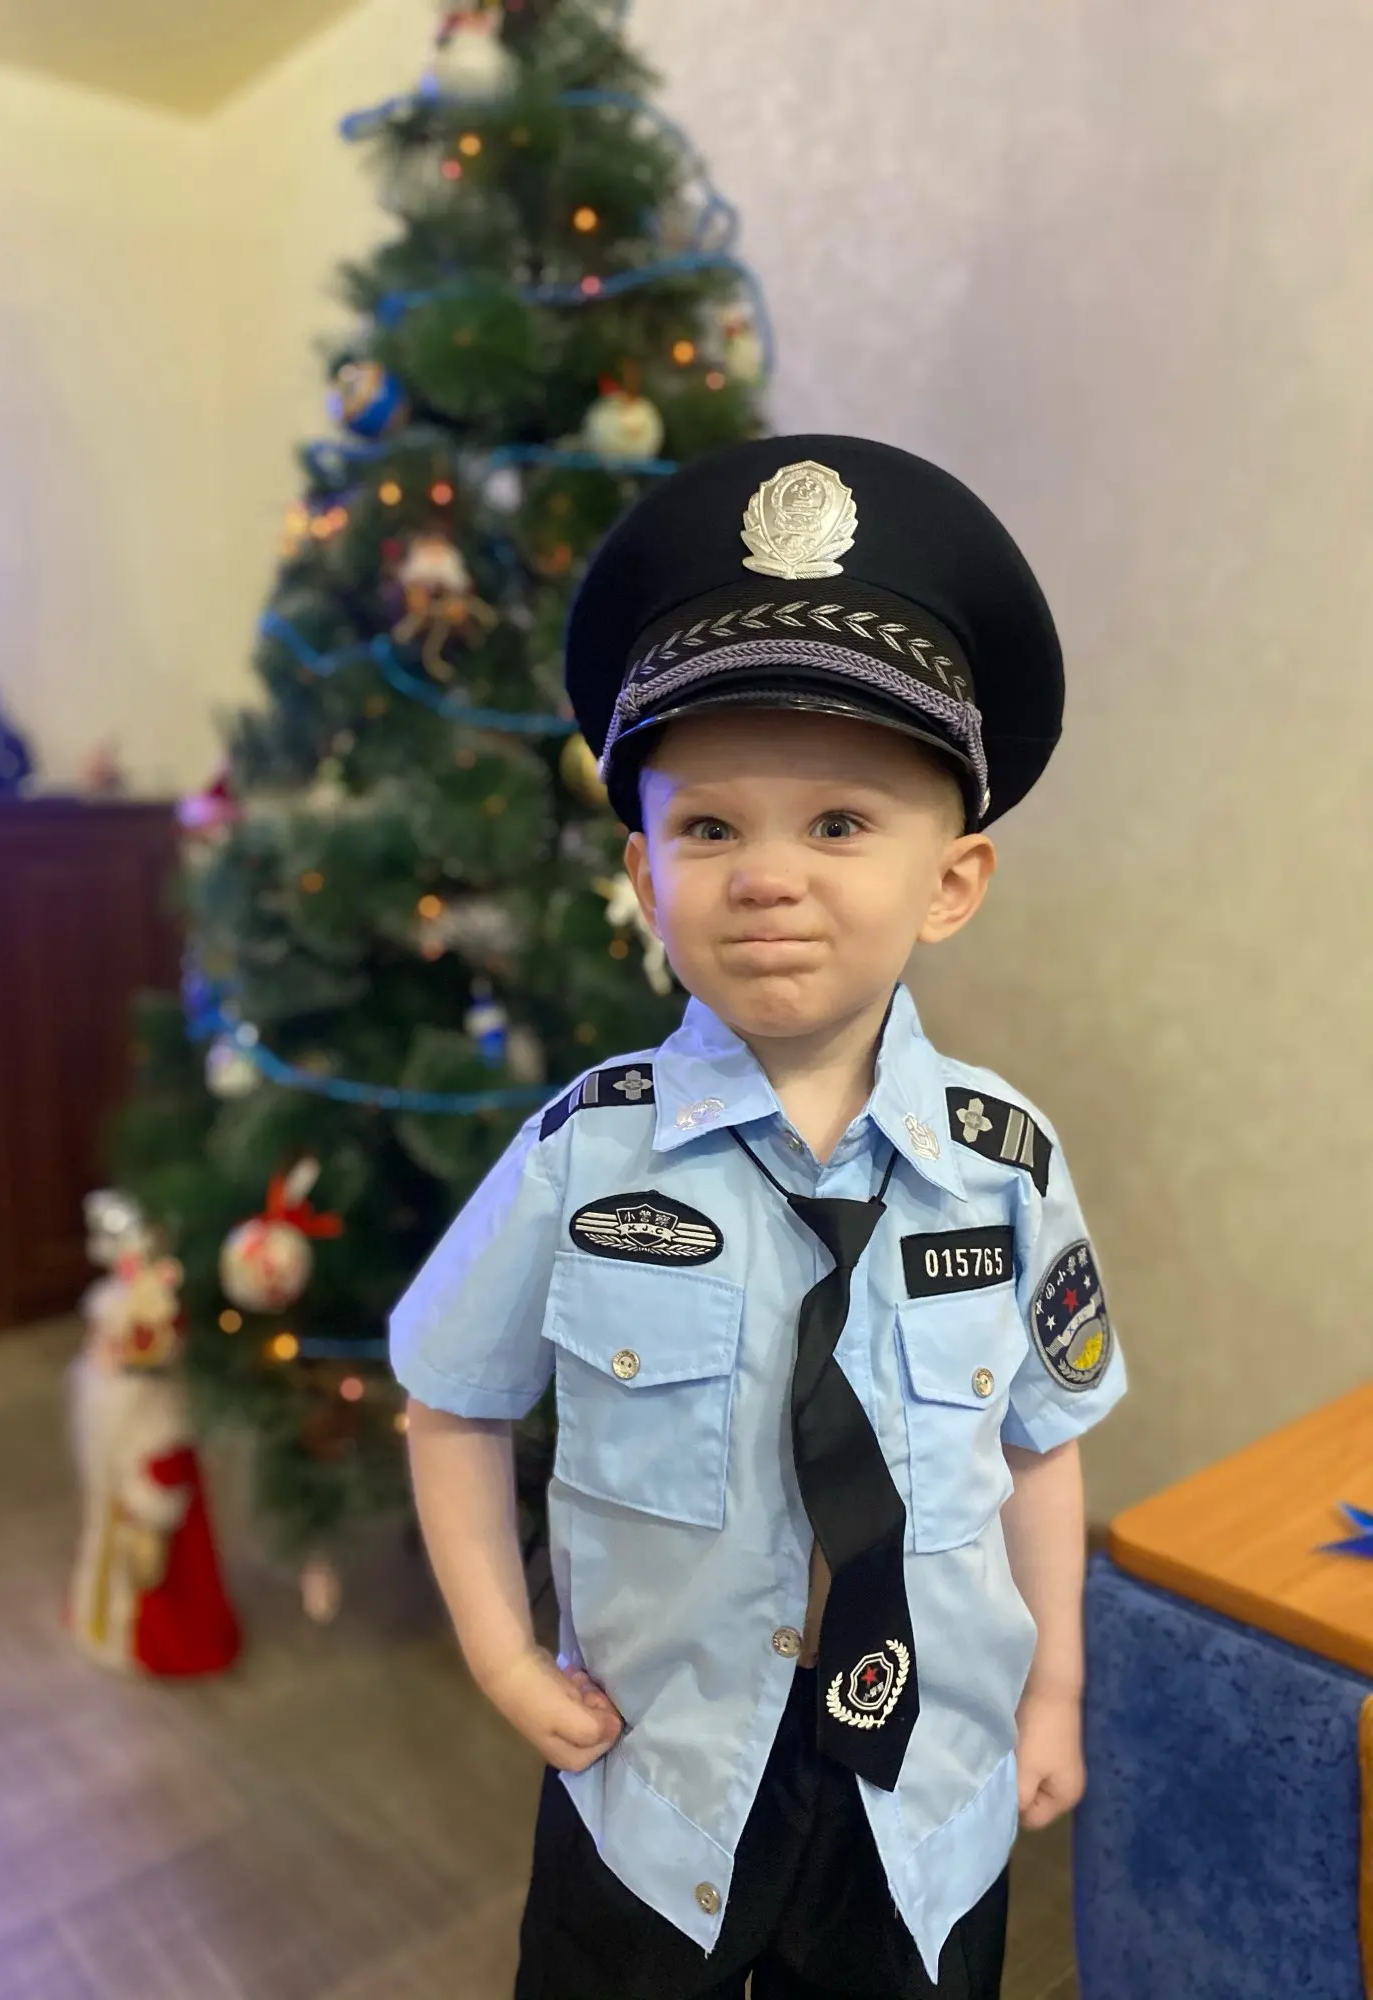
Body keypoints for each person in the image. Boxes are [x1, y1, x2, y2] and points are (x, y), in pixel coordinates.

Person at [389, 436, 1127, 1998]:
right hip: (652, 1785)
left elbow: (1040, 1444)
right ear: (644, 874)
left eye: (840, 823)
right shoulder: (582, 1158)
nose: (767, 878)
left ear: (954, 880)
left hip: (924, 1789)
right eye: (711, 828)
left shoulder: (1005, 1165)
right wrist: (504, 1655)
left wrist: (1055, 1688)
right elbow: (449, 1401)